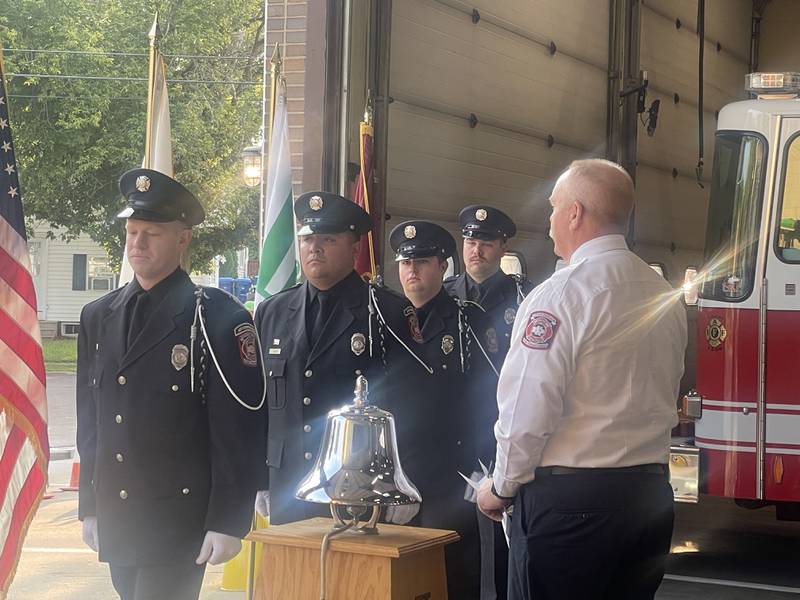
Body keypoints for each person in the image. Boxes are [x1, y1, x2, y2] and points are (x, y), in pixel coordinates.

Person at [477, 159, 687, 600]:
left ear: (575, 213)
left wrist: (500, 486)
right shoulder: (663, 295)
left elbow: (526, 412)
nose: (549, 220)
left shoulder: (559, 295)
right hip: (648, 497)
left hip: (573, 505)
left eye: (554, 207)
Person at [76, 169, 266, 600]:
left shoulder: (216, 318)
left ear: (183, 239)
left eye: (152, 234)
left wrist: (228, 518)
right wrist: (90, 503)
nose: (138, 244)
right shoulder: (98, 316)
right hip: (120, 512)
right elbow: (92, 423)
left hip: (180, 516)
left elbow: (237, 428)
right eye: (132, 231)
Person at [253, 191, 424, 526]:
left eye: (328, 239)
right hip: (288, 484)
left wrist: (406, 482)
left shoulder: (386, 311)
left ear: (355, 249)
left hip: (360, 488)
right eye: (307, 238)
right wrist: (258, 478)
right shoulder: (272, 312)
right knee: (290, 580)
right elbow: (259, 406)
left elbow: (412, 402)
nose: (314, 247)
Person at [444, 204, 533, 600]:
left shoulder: (525, 301)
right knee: (453, 537)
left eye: (484, 242)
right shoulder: (443, 297)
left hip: (501, 433)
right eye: (469, 240)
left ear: (501, 247)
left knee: (501, 545)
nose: (475, 249)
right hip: (452, 436)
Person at [388, 220, 480, 599]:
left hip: (450, 474)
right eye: (406, 263)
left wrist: (483, 463)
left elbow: (488, 395)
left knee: (450, 578)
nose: (412, 270)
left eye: (423, 261)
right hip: (392, 473)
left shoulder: (466, 320)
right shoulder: (382, 319)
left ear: (444, 266)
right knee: (393, 580)